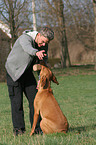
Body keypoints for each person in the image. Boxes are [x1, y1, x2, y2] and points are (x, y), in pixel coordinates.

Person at [5, 26, 54, 136]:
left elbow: (42, 64)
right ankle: (19, 131)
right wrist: (36, 52)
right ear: (39, 35)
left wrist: (39, 79)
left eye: (46, 43)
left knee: (35, 101)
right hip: (14, 72)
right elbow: (28, 49)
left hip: (26, 73)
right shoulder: (25, 38)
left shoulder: (43, 46)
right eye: (42, 42)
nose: (44, 45)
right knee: (17, 103)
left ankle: (37, 129)